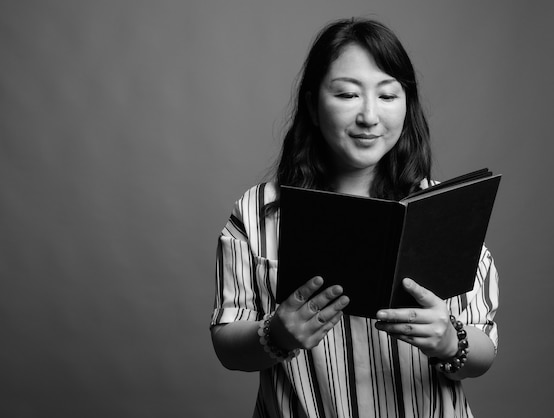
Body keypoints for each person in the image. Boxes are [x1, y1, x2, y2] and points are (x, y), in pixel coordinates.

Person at [210, 17, 499, 418]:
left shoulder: (445, 210)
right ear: (312, 105)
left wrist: (450, 340)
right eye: (347, 95)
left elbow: (484, 350)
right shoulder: (258, 211)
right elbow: (227, 344)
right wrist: (276, 334)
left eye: (387, 96)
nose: (369, 116)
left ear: (406, 105)